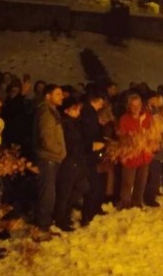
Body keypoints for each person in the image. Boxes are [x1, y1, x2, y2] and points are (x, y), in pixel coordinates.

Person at [33, 84, 65, 237]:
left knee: (49, 193)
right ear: (48, 96)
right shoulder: (46, 112)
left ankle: (44, 225)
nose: (62, 97)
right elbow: (46, 137)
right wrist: (59, 151)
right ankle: (42, 228)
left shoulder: (51, 111)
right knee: (47, 194)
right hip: (48, 158)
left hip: (52, 158)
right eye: (58, 94)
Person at [53, 97, 88, 232]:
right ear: (67, 110)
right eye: (76, 109)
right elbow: (68, 143)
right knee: (65, 192)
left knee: (82, 186)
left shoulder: (74, 123)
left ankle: (64, 212)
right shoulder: (64, 124)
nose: (78, 112)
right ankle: (60, 219)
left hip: (77, 161)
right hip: (69, 161)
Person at [116, 94, 155, 209]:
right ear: (129, 106)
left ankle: (137, 201)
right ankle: (125, 203)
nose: (136, 108)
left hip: (144, 154)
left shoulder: (147, 117)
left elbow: (153, 132)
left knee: (141, 181)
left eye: (138, 105)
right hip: (130, 155)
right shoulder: (124, 119)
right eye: (133, 106)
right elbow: (121, 137)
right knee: (128, 182)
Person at [80, 92, 107, 226]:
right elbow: (88, 133)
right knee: (92, 183)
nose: (102, 105)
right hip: (90, 153)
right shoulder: (88, 113)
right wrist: (94, 144)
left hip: (94, 151)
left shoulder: (91, 113)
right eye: (101, 102)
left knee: (96, 182)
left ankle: (93, 209)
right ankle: (87, 214)